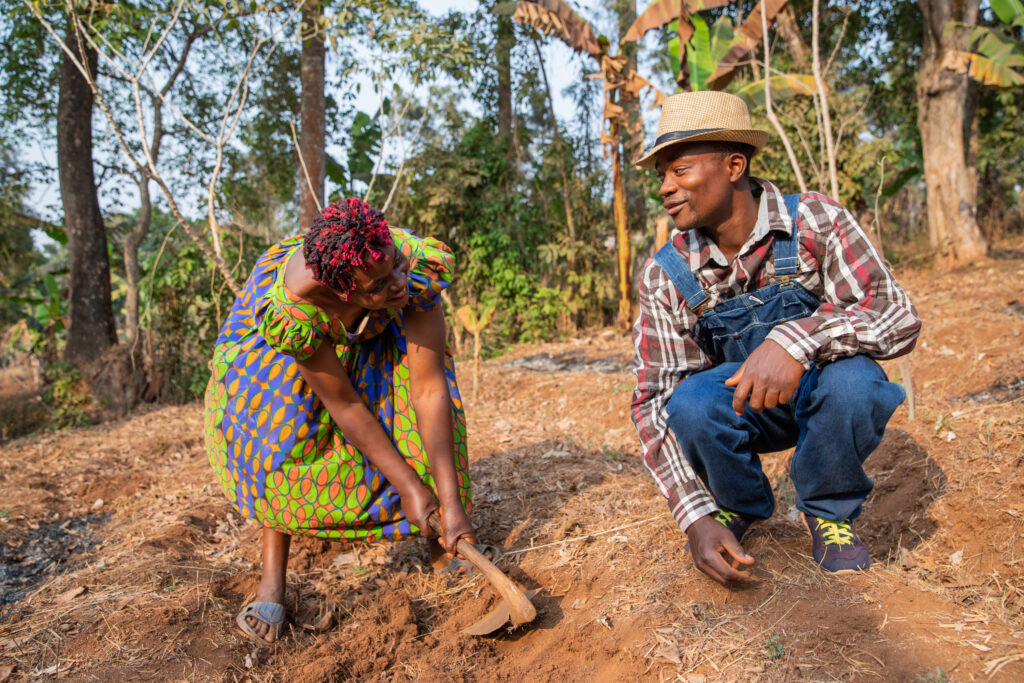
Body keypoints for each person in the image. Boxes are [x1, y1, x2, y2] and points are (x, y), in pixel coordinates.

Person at [630, 92, 921, 585]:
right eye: (661, 176)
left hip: (823, 394)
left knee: (856, 382)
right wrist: (694, 516)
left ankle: (828, 511)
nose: (664, 188)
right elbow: (652, 400)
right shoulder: (667, 274)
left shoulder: (816, 221)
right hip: (747, 408)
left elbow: (896, 316)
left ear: (734, 165)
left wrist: (796, 340)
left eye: (679, 171)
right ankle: (738, 503)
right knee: (689, 403)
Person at [205, 198, 490, 644]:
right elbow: (346, 406)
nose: (400, 284)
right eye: (381, 284)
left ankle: (443, 542)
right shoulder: (293, 308)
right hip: (290, 338)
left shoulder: (407, 269)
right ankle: (273, 582)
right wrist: (408, 488)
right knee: (287, 433)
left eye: (396, 265)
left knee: (427, 414)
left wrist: (450, 500)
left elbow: (428, 389)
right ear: (342, 290)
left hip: (372, 321)